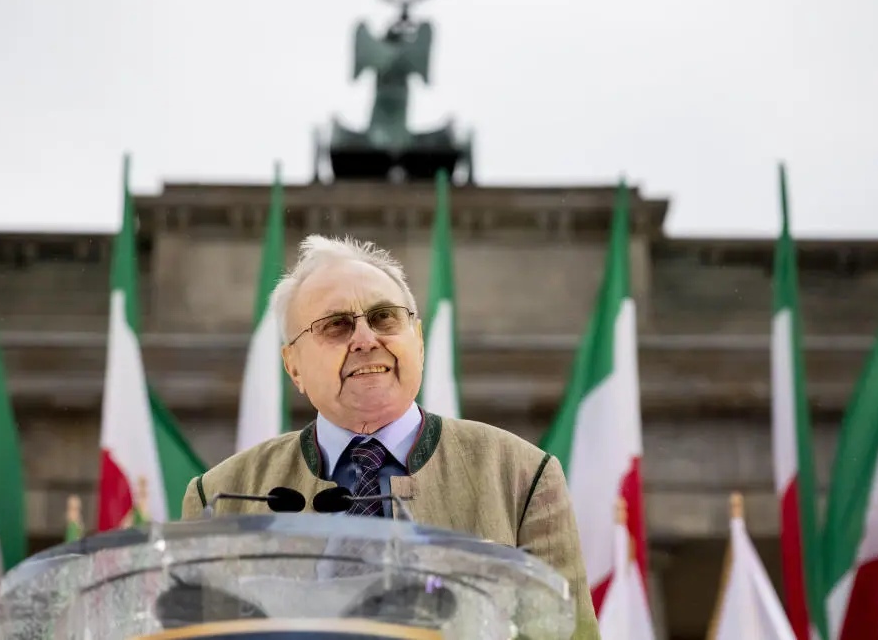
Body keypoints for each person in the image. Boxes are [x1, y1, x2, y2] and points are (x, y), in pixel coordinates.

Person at [181, 234, 600, 638]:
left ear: (416, 340)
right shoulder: (221, 495)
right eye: (337, 325)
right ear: (293, 365)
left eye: (384, 317)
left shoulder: (521, 476)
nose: (365, 340)